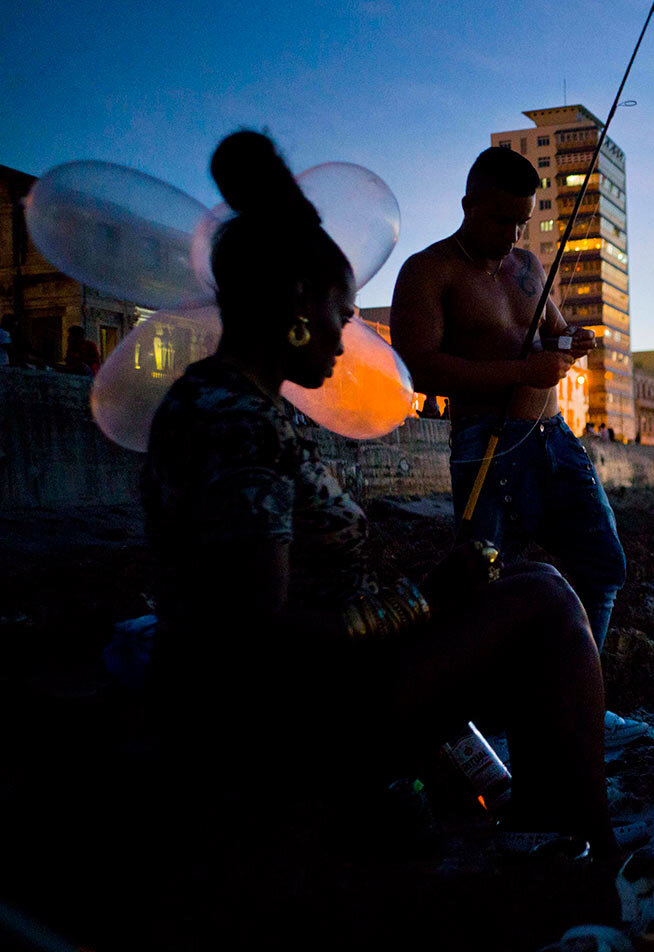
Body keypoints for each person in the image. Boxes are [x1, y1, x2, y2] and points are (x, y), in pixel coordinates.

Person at [143, 131, 613, 850]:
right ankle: (577, 843)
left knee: (543, 580)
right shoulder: (234, 424)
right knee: (544, 595)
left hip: (327, 678)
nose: (351, 328)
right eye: (343, 306)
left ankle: (546, 830)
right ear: (297, 307)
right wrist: (421, 604)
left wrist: (425, 593)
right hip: (300, 712)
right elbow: (254, 637)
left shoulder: (231, 404)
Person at [389, 146, 642, 747]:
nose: (509, 235)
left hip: (554, 437)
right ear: (468, 203)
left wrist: (573, 342)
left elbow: (553, 332)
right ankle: (481, 726)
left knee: (602, 563)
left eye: (520, 222)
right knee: (479, 586)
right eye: (499, 219)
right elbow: (418, 368)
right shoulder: (429, 272)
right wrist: (518, 372)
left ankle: (577, 696)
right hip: (486, 446)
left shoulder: (527, 265)